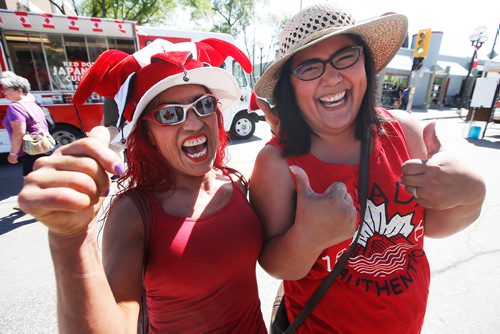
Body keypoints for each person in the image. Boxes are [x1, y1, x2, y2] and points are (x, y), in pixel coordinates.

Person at [251, 3, 485, 333]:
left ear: (366, 63)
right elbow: (274, 264)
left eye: (346, 56)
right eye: (309, 67)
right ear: (290, 86)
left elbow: (431, 227)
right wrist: (306, 238)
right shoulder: (276, 163)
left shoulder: (406, 132)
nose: (332, 77)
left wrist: (470, 196)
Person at [17, 38, 267, 333]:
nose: (194, 123)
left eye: (204, 105)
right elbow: (118, 322)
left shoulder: (237, 182)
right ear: (147, 136)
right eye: (169, 114)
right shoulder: (134, 212)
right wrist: (70, 239)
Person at [1, 72, 51, 175]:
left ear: (19, 90)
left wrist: (13, 153)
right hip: (43, 147)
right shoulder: (33, 104)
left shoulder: (15, 107)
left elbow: (19, 132)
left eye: (6, 88)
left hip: (30, 151)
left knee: (34, 185)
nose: (3, 91)